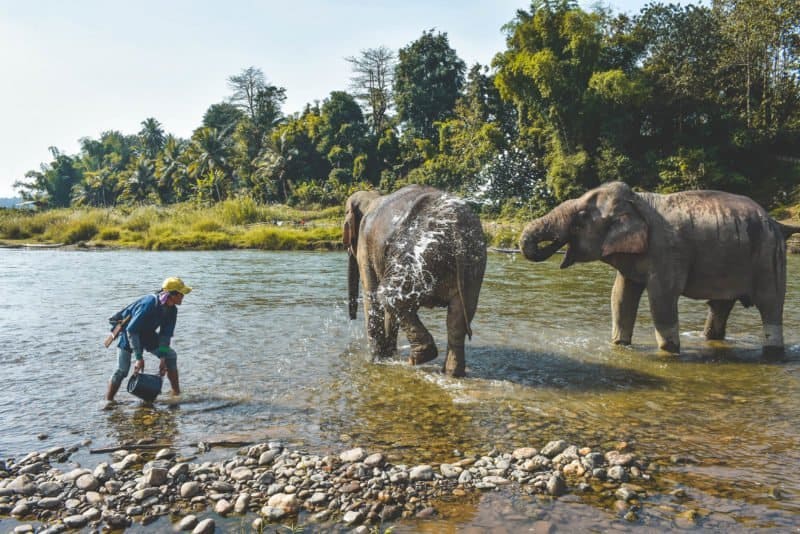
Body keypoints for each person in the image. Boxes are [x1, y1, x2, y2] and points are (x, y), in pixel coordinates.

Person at [105, 277, 192, 401]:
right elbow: (132, 330)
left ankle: (176, 394)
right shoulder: (149, 304)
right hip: (129, 333)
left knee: (170, 356)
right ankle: (108, 401)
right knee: (122, 370)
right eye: (181, 293)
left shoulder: (172, 310)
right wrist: (139, 358)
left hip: (147, 334)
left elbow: (165, 335)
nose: (183, 296)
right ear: (172, 295)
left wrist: (162, 357)